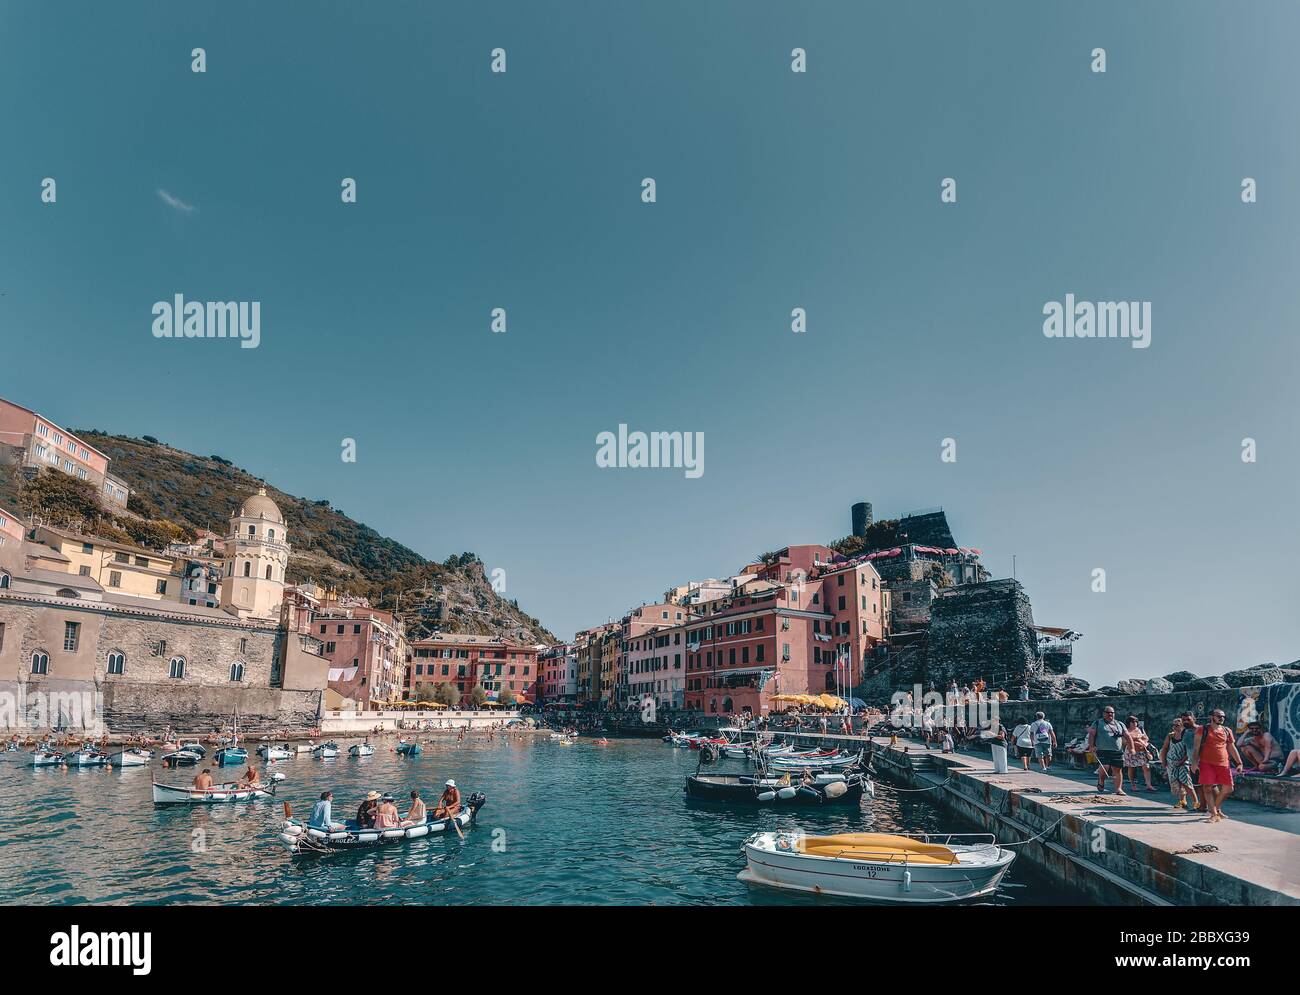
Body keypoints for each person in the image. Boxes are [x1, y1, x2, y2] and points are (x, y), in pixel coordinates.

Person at [1192, 709, 1244, 823]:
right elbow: (1196, 748)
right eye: (1219, 716)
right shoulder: (1202, 729)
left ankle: (1215, 808)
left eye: (1223, 716)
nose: (1222, 718)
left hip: (1224, 763)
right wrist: (1194, 763)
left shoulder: (1227, 730)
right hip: (1206, 763)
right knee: (1207, 788)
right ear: (1212, 716)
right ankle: (1214, 814)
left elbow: (1231, 747)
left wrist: (1239, 762)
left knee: (1229, 788)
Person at [1159, 718, 1198, 810]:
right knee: (1177, 783)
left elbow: (1189, 751)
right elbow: (1165, 748)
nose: (1174, 727)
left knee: (1186, 782)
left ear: (1182, 726)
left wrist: (1181, 761)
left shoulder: (1187, 735)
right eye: (1174, 725)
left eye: (1177, 725)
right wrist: (1164, 762)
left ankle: (1196, 802)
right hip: (1171, 762)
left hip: (1183, 763)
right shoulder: (1170, 736)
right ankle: (1182, 801)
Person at [1086, 706, 1127, 794]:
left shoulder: (1120, 724)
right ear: (1104, 713)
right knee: (1105, 767)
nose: (1110, 714)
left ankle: (1118, 789)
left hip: (1117, 751)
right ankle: (1101, 781)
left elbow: (1127, 735)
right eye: (1108, 712)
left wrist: (1131, 747)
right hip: (1103, 749)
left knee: (1118, 769)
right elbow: (1092, 735)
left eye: (1112, 712)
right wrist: (1091, 746)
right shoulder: (1098, 723)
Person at [1121, 716, 1155, 791]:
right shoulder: (1126, 731)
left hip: (1142, 751)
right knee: (1131, 768)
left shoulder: (1140, 729)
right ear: (1129, 723)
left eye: (1136, 721)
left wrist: (1142, 742)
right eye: (1133, 722)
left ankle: (1149, 785)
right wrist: (1135, 739)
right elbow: (1124, 741)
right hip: (1131, 751)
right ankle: (1133, 785)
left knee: (1146, 767)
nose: (1135, 723)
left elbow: (1146, 738)